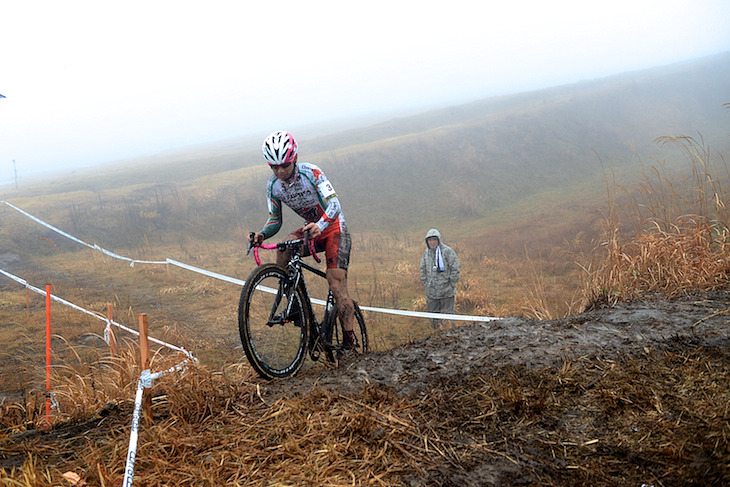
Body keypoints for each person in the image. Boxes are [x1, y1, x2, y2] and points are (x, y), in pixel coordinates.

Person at [248, 131, 359, 348]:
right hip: (311, 230)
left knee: (336, 283)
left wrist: (320, 225)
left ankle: (349, 341)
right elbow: (274, 220)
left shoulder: (313, 173)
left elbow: (334, 205)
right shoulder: (273, 186)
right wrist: (262, 234)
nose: (280, 171)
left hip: (334, 227)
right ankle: (295, 305)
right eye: (274, 167)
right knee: (283, 248)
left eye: (285, 165)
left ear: (295, 158)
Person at [419, 228, 461, 330]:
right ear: (427, 241)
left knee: (447, 317)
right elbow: (422, 268)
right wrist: (426, 282)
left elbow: (455, 267)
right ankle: (436, 336)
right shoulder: (426, 253)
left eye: (434, 240)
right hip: (431, 293)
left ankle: (449, 336)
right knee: (433, 317)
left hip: (446, 292)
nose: (432, 242)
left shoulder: (447, 251)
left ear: (438, 240)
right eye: (430, 240)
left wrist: (451, 283)